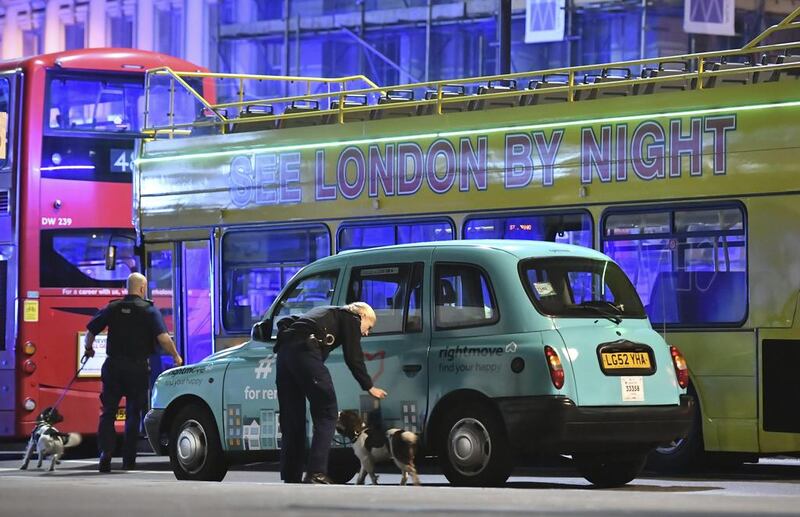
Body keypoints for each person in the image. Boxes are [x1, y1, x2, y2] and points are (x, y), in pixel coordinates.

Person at [275, 302, 387, 484]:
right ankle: (316, 473)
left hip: (284, 353)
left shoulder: (325, 312)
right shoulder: (351, 317)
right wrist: (369, 386)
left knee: (292, 418)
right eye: (369, 327)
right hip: (305, 350)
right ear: (363, 316)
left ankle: (290, 475)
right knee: (327, 413)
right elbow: (353, 356)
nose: (366, 333)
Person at [83, 272, 183, 472]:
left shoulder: (112, 307)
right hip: (137, 368)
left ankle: (106, 453)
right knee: (133, 413)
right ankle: (129, 459)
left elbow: (91, 330)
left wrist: (89, 349)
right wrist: (176, 356)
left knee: (108, 412)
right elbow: (163, 338)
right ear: (143, 288)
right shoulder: (148, 310)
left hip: (112, 367)